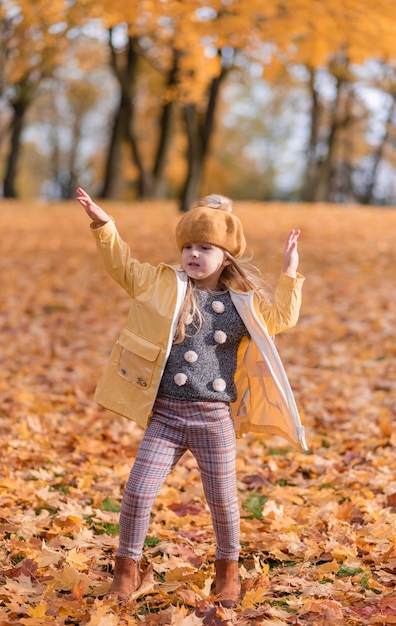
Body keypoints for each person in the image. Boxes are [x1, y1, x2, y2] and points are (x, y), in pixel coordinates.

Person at [76, 187, 307, 607]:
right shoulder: (164, 285)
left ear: (226, 257)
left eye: (205, 248)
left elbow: (280, 319)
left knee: (222, 501)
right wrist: (103, 224)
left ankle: (228, 572)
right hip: (165, 415)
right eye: (188, 247)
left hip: (213, 417)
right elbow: (123, 267)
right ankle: (126, 572)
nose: (193, 255)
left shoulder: (241, 304)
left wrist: (290, 272)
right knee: (138, 492)